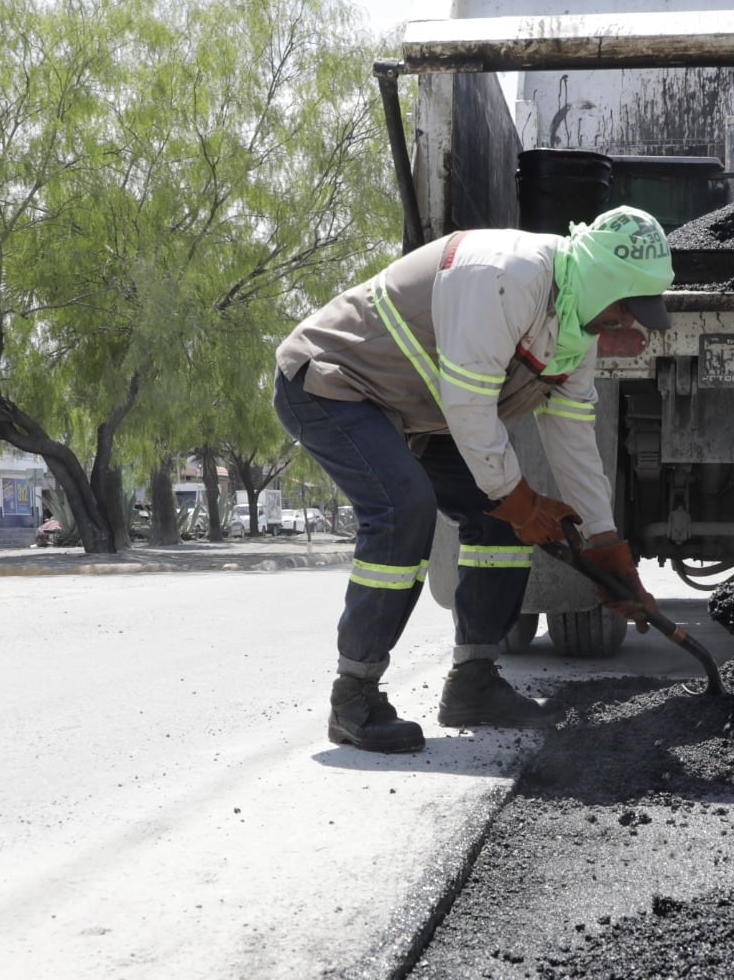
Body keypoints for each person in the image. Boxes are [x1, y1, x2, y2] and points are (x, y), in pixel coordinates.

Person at [274, 206, 672, 754]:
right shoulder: (506, 277)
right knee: (403, 509)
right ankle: (354, 696)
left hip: (418, 410)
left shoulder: (576, 322)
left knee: (500, 524)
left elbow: (574, 440)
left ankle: (474, 683)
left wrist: (607, 550)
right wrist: (518, 497)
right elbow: (470, 407)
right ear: (604, 280)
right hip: (333, 384)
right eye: (627, 307)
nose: (627, 323)